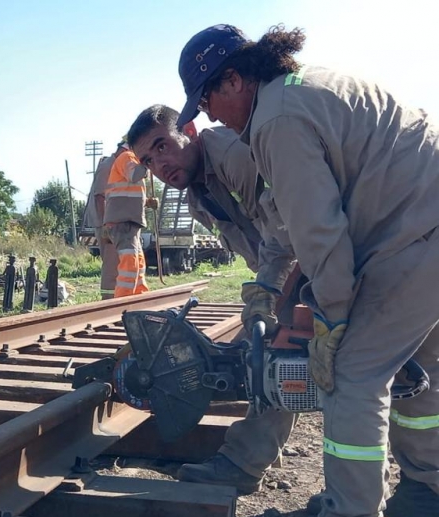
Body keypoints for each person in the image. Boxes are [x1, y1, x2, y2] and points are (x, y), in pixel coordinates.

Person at [176, 23, 439, 517]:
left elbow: (318, 232)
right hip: (420, 224)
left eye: (207, 98)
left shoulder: (276, 120)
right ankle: (427, 491)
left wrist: (335, 319)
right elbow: (298, 229)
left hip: (413, 235)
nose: (208, 114)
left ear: (234, 78)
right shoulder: (300, 90)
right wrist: (271, 290)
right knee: (422, 367)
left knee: (353, 377)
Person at [127, 104, 298, 494]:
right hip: (294, 269)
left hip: (324, 260)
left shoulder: (232, 155)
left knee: (269, 358)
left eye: (162, 146)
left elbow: (289, 226)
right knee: (273, 362)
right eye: (149, 160)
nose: (160, 165)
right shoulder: (196, 197)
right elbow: (259, 247)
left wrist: (269, 296)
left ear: (188, 129)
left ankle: (242, 463)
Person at [104, 141, 152, 297]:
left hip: (129, 222)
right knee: (130, 263)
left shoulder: (128, 159)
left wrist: (147, 202)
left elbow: (128, 195)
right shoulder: (126, 156)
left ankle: (139, 296)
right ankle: (123, 302)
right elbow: (134, 175)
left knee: (138, 262)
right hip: (122, 222)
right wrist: (148, 161)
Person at [82, 147, 119, 299]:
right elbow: (99, 197)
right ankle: (109, 303)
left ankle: (116, 301)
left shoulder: (114, 165)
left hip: (112, 223)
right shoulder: (108, 166)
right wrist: (106, 227)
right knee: (111, 265)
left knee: (117, 265)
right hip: (107, 224)